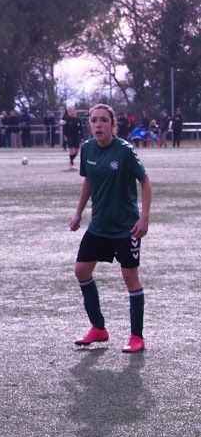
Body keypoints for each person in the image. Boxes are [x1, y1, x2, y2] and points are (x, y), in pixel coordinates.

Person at [70, 104, 152, 354]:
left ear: (112, 125)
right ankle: (98, 328)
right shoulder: (87, 149)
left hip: (126, 228)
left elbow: (146, 183)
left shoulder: (125, 151)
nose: (98, 125)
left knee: (130, 278)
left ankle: (137, 336)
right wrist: (78, 213)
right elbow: (88, 182)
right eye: (94, 120)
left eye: (103, 120)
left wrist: (144, 218)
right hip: (99, 226)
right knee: (81, 271)